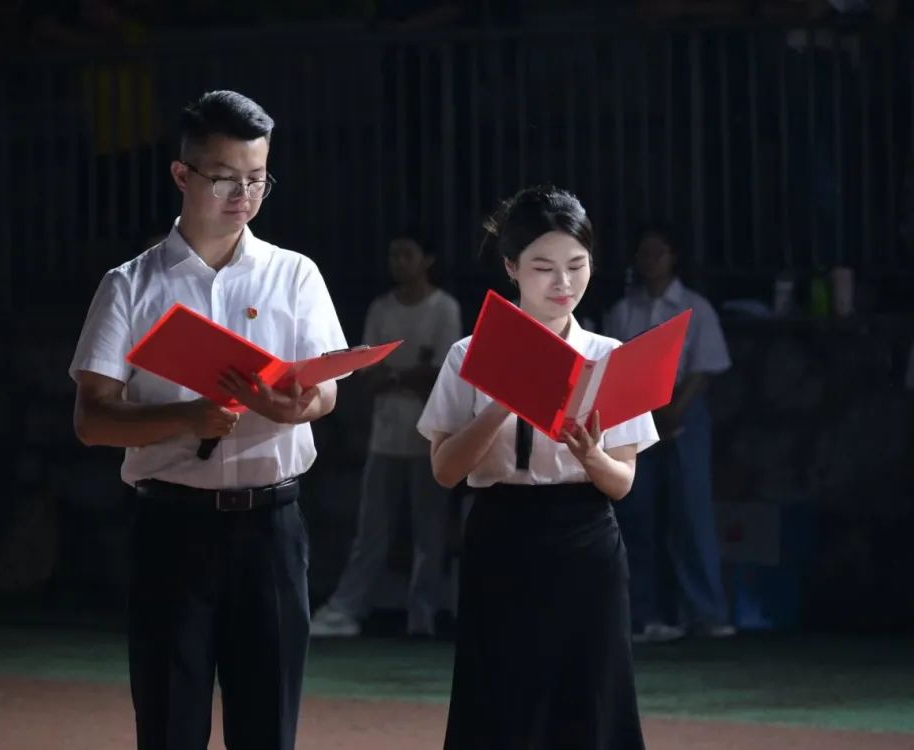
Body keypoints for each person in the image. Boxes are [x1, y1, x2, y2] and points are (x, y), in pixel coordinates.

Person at [68, 90, 348, 750]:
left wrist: (294, 406)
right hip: (173, 526)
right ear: (182, 174)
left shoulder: (294, 275)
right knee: (170, 722)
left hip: (272, 525)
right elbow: (92, 419)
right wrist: (187, 417)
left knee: (267, 725)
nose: (243, 196)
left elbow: (326, 393)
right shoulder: (131, 284)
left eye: (257, 179)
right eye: (224, 178)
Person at [418, 186, 658, 750]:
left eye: (577, 265)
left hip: (585, 537)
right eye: (544, 268)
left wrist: (590, 454)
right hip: (502, 531)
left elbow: (622, 482)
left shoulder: (608, 355)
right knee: (500, 698)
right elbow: (445, 471)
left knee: (590, 697)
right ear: (511, 268)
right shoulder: (468, 353)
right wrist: (501, 402)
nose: (563, 283)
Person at [311, 233, 462, 638]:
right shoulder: (381, 308)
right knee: (372, 529)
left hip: (429, 437)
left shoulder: (444, 308)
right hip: (385, 436)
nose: (398, 262)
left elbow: (440, 374)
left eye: (407, 254)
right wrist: (408, 373)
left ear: (427, 259)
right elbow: (367, 372)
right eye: (394, 254)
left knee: (429, 532)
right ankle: (348, 608)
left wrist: (395, 375)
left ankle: (423, 616)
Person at [604, 223, 734, 643]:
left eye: (657, 252)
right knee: (639, 516)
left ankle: (705, 612)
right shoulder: (624, 311)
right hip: (636, 414)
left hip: (683, 412)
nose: (650, 261)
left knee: (691, 515)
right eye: (644, 253)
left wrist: (676, 409)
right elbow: (615, 366)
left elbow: (704, 368)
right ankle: (647, 614)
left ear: (673, 256)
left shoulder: (695, 307)